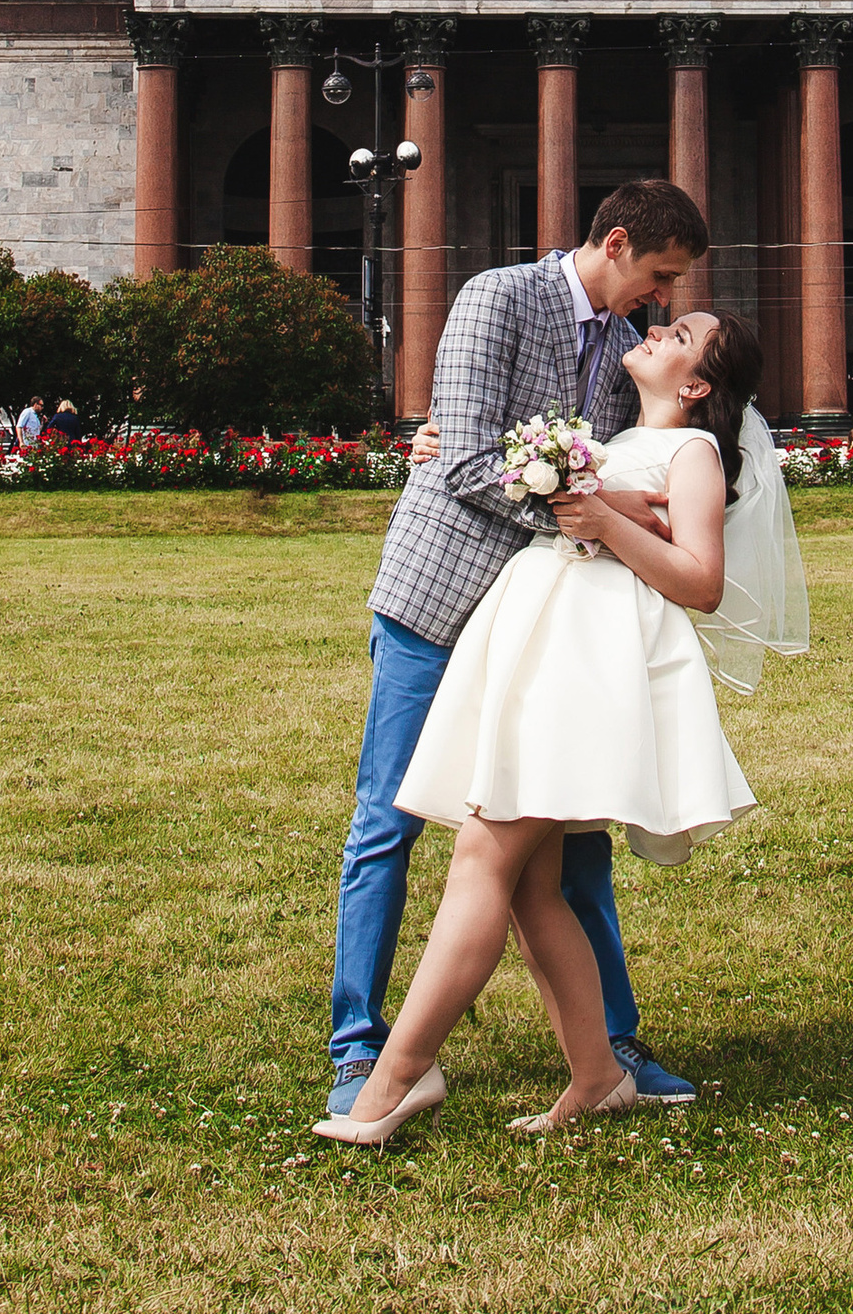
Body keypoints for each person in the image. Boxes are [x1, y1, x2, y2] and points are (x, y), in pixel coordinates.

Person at [318, 309, 806, 1147]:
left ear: (695, 385)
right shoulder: (612, 437)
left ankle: (398, 1073)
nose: (656, 327)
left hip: (589, 663)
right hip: (546, 643)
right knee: (532, 889)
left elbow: (702, 582)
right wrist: (451, 447)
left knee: (482, 857)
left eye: (680, 334)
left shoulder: (691, 454)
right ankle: (597, 1074)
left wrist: (607, 520)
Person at [326, 179, 710, 1123]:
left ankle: (610, 1045)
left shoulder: (631, 351)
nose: (661, 299)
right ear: (616, 243)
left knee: (573, 845)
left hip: (543, 627)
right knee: (388, 822)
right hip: (439, 597)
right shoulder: (497, 297)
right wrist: (590, 506)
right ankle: (358, 1045)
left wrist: (608, 503)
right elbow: (460, 458)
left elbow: (639, 473)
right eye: (658, 274)